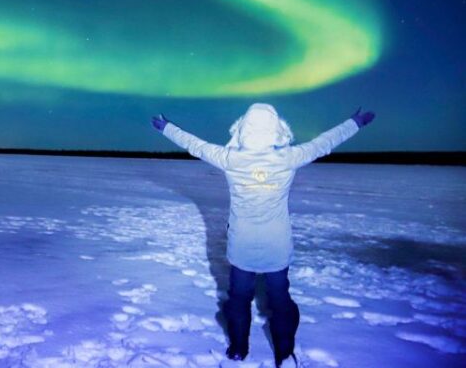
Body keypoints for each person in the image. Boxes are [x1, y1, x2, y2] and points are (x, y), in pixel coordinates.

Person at [150, 103, 374, 367]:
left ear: (243, 129)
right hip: (276, 248)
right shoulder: (288, 158)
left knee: (238, 300)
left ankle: (238, 349)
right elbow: (324, 143)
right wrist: (354, 123)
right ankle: (284, 353)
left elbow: (195, 145)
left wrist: (167, 128)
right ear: (276, 129)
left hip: (242, 247)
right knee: (280, 302)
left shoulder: (230, 159)